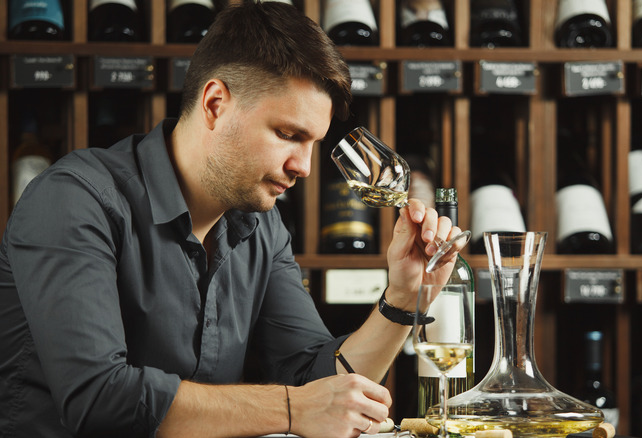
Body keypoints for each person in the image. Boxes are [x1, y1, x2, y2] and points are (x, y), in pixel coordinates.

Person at [0, 2, 461, 437]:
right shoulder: (74, 200)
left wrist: (401, 299)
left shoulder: (263, 226)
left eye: (313, 143)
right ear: (216, 103)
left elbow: (315, 378)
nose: (303, 166)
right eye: (287, 134)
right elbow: (97, 399)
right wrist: (291, 409)